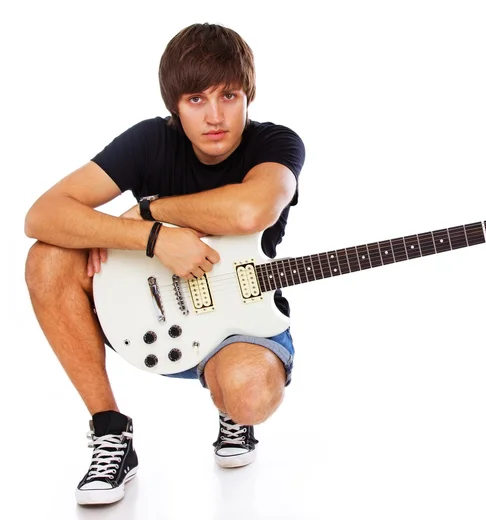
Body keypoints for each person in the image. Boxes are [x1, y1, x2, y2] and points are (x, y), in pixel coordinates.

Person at [24, 22, 305, 506]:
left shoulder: (277, 145)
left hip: (243, 321)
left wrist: (154, 211)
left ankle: (231, 408)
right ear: (175, 106)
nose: (215, 116)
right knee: (47, 257)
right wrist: (152, 241)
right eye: (196, 99)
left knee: (249, 396)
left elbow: (250, 210)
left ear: (248, 96)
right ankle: (110, 431)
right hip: (151, 310)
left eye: (229, 95)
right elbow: (41, 215)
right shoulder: (150, 140)